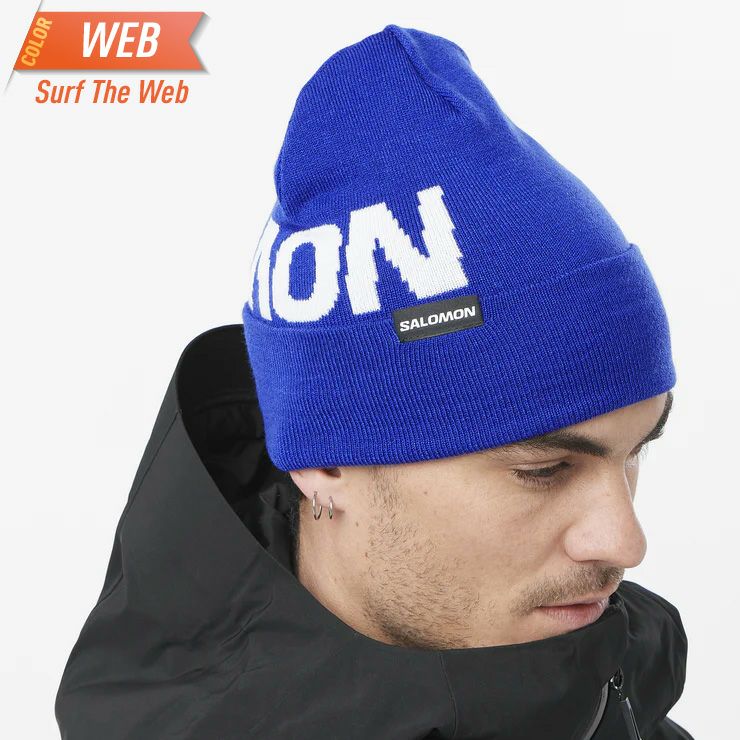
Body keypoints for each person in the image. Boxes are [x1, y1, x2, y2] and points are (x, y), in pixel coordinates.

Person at [55, 24, 693, 739]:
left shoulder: (609, 700)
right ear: (325, 461)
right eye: (542, 469)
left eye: (635, 452)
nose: (625, 541)